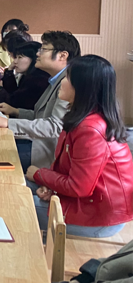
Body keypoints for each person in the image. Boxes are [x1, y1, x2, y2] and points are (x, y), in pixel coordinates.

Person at [26, 55, 133, 237]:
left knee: (14, 203)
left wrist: (39, 174)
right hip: (84, 203)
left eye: (68, 78)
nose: (62, 82)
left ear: (83, 87)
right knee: (13, 185)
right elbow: (71, 173)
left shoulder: (90, 129)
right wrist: (50, 186)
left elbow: (78, 187)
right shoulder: (82, 118)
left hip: (97, 216)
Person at [0, 31, 81, 171]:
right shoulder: (55, 79)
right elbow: (40, 115)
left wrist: (9, 123)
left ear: (63, 55)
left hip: (45, 150)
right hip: (36, 141)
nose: (38, 53)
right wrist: (16, 112)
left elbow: (55, 127)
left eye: (43, 49)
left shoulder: (68, 83)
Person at [0, 40, 49, 111]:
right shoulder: (28, 75)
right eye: (15, 57)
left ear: (34, 59)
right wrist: (10, 70)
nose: (15, 61)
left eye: (20, 57)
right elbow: (13, 92)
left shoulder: (38, 80)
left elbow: (14, 103)